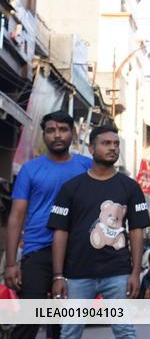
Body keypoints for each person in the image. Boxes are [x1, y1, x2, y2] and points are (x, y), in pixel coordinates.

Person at [47, 125, 150, 339]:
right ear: (91, 148)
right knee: (70, 332)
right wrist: (58, 275)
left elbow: (137, 231)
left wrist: (135, 272)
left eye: (116, 144)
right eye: (106, 143)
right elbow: (60, 232)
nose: (112, 148)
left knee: (125, 332)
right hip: (77, 274)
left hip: (118, 273)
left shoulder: (130, 187)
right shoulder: (71, 187)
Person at [5, 110, 91, 339]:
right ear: (44, 135)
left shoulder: (87, 167)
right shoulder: (30, 169)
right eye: (51, 130)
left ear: (72, 133)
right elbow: (16, 216)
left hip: (74, 254)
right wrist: (11, 263)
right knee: (28, 320)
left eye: (63, 130)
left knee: (63, 325)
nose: (57, 135)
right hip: (37, 251)